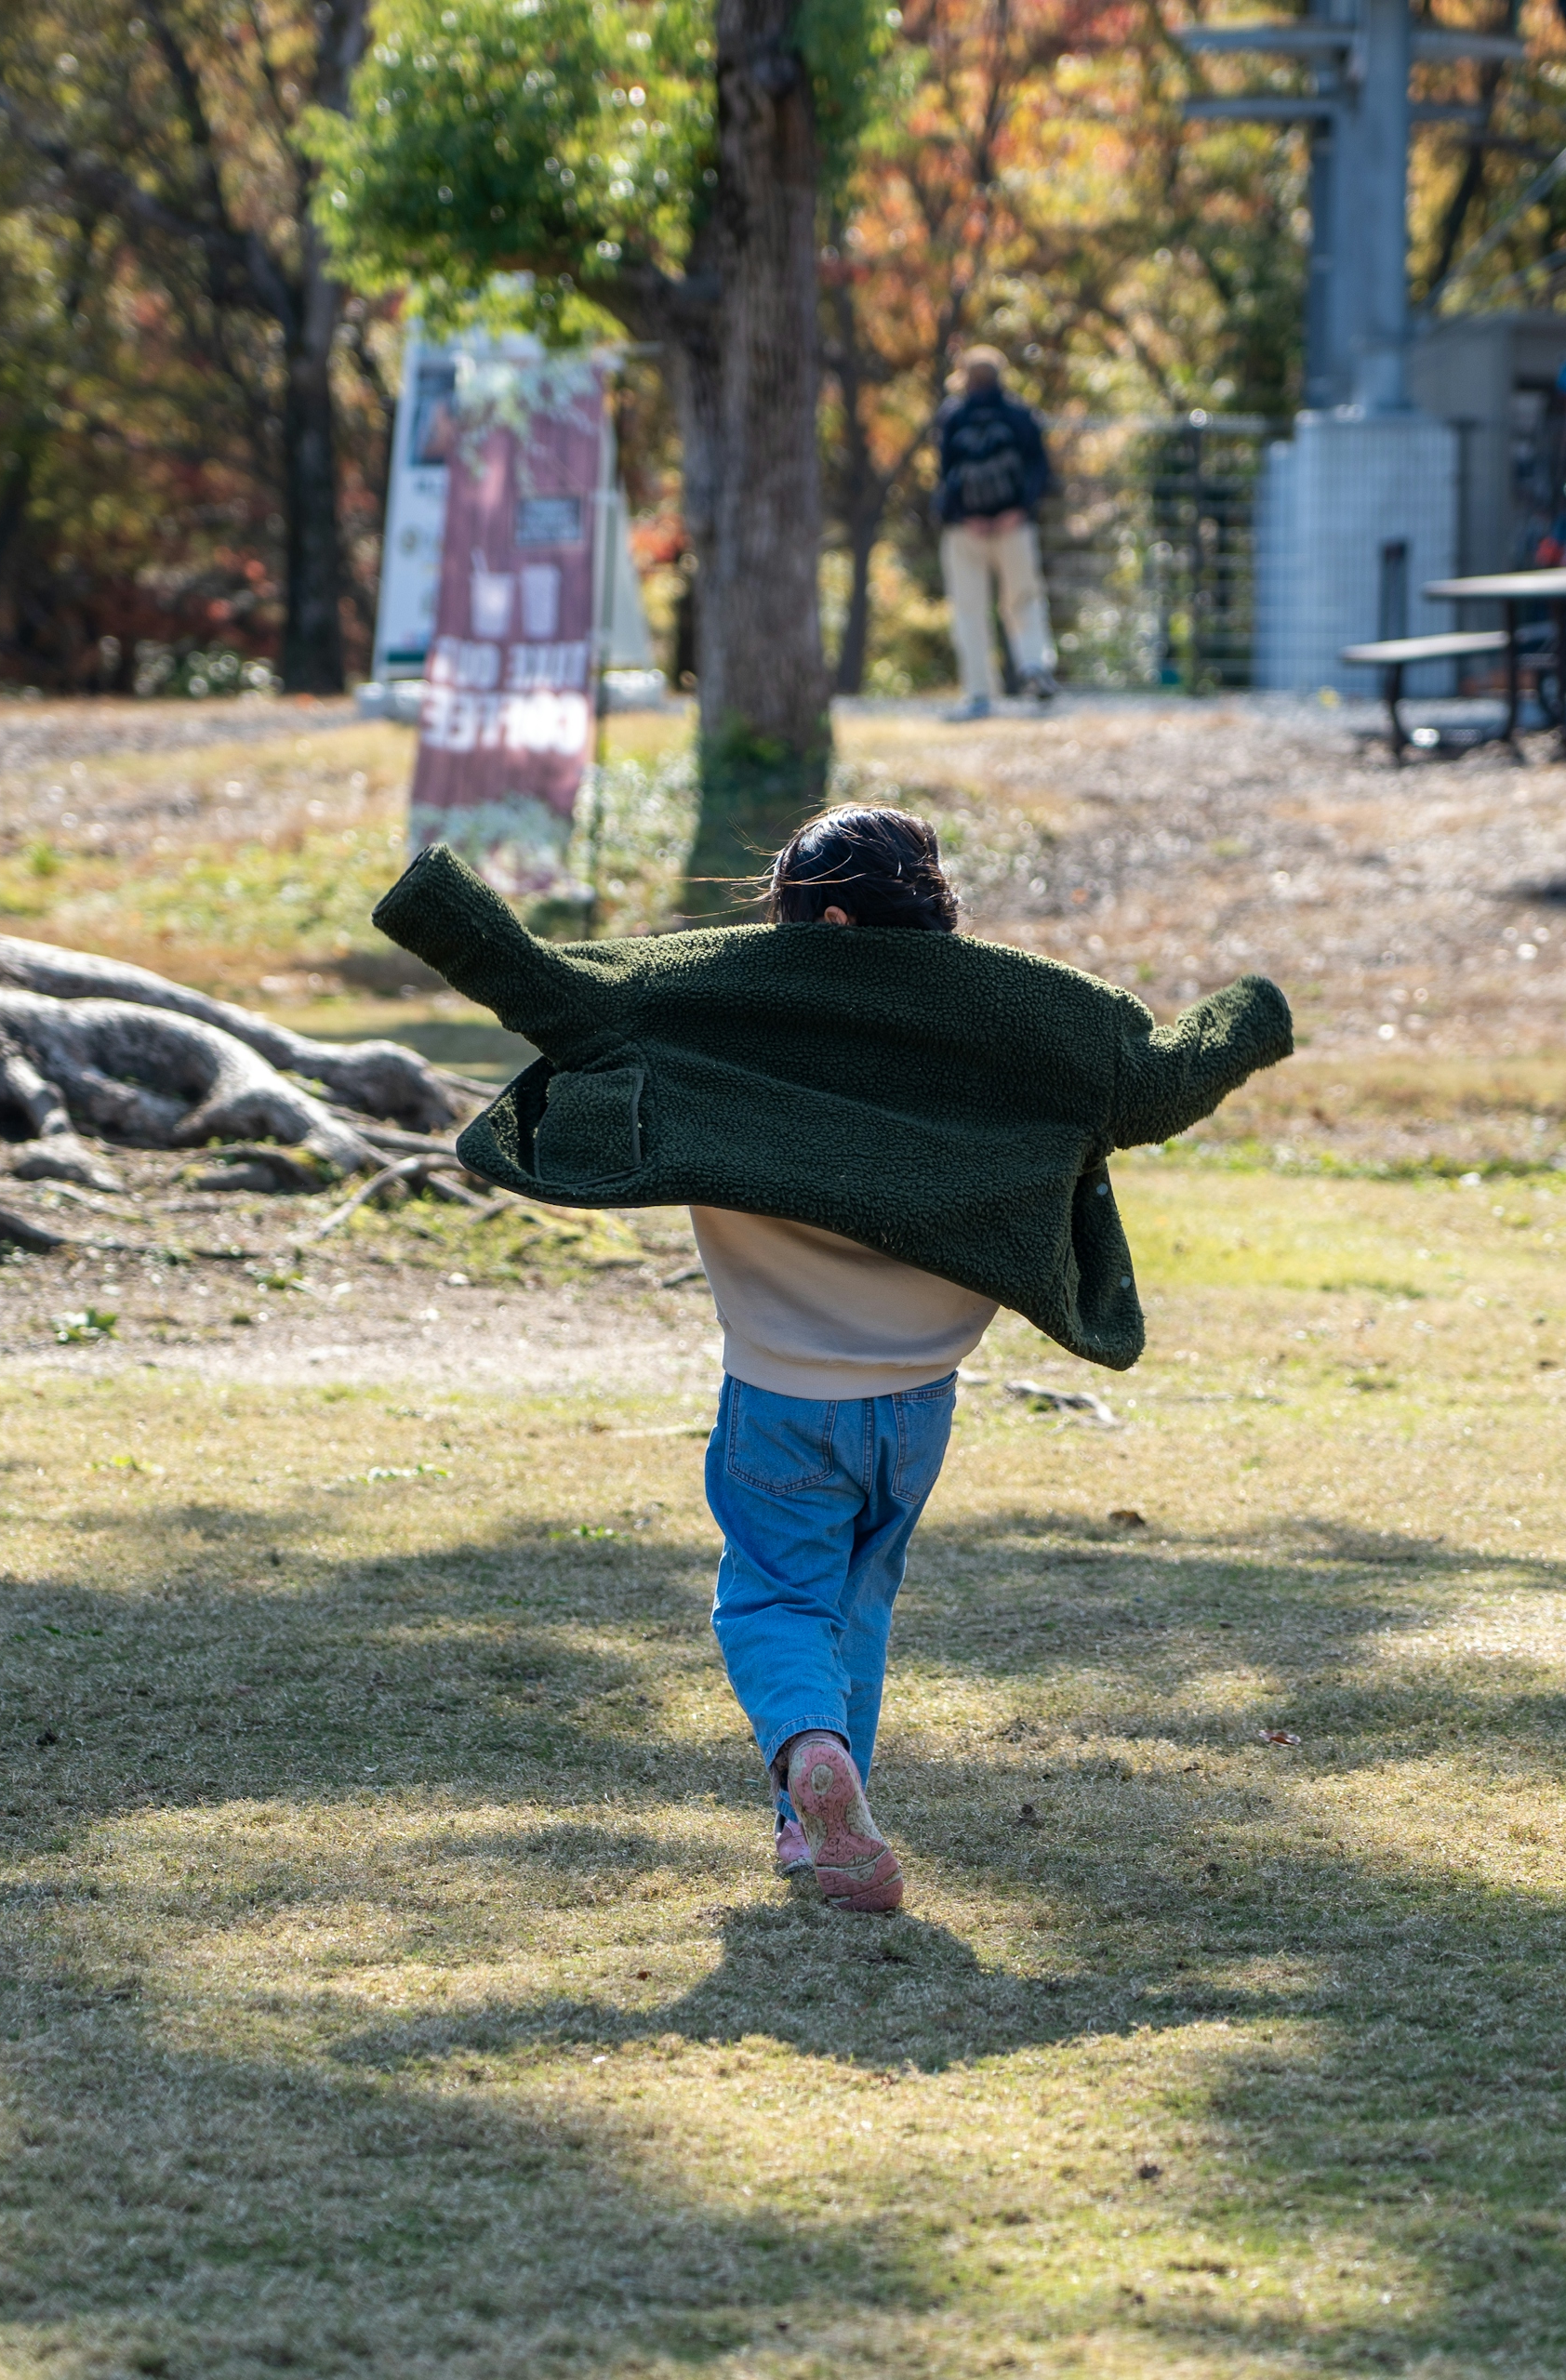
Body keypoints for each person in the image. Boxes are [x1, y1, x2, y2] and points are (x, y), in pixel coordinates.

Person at [369, 816, 1294, 1914]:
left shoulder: (720, 993)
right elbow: (1163, 1081)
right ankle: (811, 1836)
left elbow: (541, 988)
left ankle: (809, 1754)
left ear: (830, 917)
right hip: (917, 1408)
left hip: (778, 1401)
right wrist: (1257, 1010)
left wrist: (439, 894)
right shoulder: (1030, 1012)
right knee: (856, 1604)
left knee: (772, 1601)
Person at [931, 348, 1060, 721]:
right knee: (1023, 599)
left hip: (964, 530)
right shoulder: (1019, 414)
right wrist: (1018, 510)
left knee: (970, 609)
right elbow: (1040, 470)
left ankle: (978, 691)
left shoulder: (953, 415)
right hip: (1014, 526)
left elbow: (944, 473)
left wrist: (961, 515)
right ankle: (1034, 667)